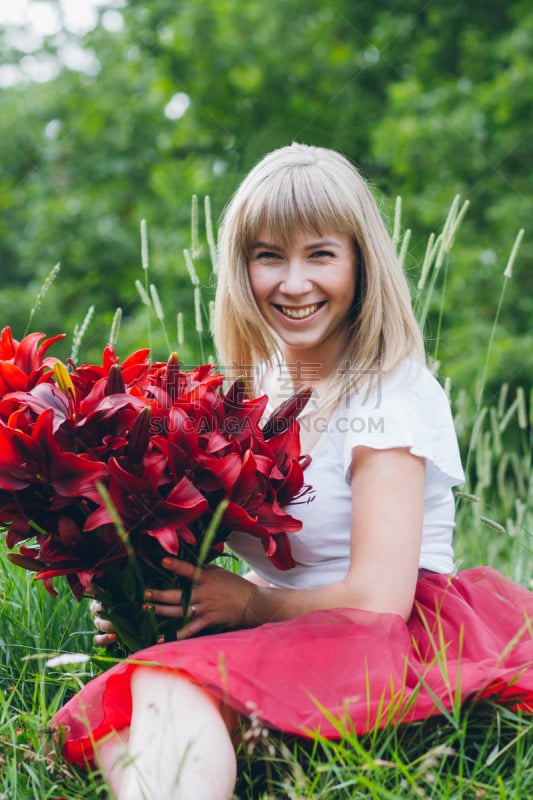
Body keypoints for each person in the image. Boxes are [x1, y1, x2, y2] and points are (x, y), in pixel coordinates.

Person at [53, 144, 533, 799]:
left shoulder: (388, 394)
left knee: (158, 686)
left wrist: (248, 603)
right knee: (128, 705)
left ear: (361, 264)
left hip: (390, 634)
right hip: (301, 624)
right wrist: (160, 599)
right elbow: (289, 559)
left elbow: (375, 598)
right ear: (240, 267)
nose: (293, 282)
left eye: (320, 254)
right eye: (268, 255)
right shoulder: (261, 390)